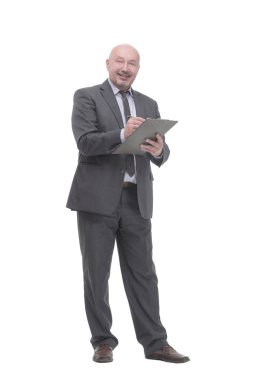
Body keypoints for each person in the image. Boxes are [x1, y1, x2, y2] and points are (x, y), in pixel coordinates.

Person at [66, 44, 190, 364]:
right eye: (119, 61)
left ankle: (155, 342)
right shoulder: (87, 96)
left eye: (132, 63)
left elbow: (162, 154)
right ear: (108, 63)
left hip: (137, 199)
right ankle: (103, 341)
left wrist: (159, 148)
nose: (125, 67)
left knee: (144, 274)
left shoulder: (149, 103)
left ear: (138, 68)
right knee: (97, 273)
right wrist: (122, 132)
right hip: (97, 199)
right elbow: (85, 142)